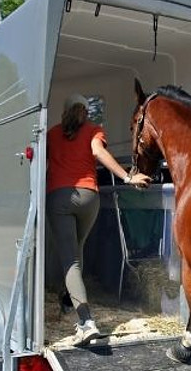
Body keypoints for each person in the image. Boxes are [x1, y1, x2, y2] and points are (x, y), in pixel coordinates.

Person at [46, 94, 151, 346]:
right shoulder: (94, 130)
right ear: (85, 111)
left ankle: (85, 322)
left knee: (69, 259)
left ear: (64, 112)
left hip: (60, 196)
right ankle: (68, 296)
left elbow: (40, 162)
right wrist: (127, 177)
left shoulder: (51, 133)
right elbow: (98, 152)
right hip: (89, 197)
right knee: (78, 250)